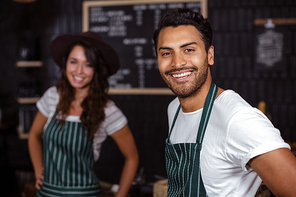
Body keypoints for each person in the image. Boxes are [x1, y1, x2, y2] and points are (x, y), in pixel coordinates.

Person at [153, 8, 296, 197]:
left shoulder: (237, 119)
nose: (177, 63)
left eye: (189, 50)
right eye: (166, 53)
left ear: (209, 55)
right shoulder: (174, 109)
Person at [28, 31, 139, 197]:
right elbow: (34, 136)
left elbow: (132, 158)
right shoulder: (52, 96)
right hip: (47, 193)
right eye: (74, 62)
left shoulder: (107, 110)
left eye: (88, 64)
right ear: (66, 64)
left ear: (97, 69)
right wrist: (38, 170)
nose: (79, 71)